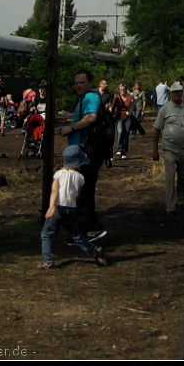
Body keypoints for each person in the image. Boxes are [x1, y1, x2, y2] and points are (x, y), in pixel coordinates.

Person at [38, 145, 108, 270]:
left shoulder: (58, 174)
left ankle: (48, 260)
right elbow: (78, 194)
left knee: (46, 234)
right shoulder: (80, 178)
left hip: (59, 207)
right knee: (76, 234)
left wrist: (52, 207)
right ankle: (94, 252)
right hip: (71, 209)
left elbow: (54, 191)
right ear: (79, 164)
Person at [57, 68, 107, 241]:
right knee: (81, 192)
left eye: (82, 82)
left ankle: (92, 229)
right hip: (83, 154)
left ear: (90, 83)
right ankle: (82, 230)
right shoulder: (84, 98)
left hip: (87, 155)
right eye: (76, 82)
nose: (78, 85)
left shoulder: (90, 97)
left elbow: (91, 117)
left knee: (83, 192)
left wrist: (71, 128)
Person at [151, 81, 184, 214]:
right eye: (175, 92)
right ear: (170, 93)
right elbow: (156, 130)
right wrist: (154, 149)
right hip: (169, 148)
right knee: (170, 178)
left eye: (179, 92)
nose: (177, 94)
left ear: (182, 93)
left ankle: (181, 201)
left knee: (183, 177)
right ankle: (171, 206)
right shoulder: (165, 109)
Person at [109, 82, 134, 159]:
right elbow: (112, 107)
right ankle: (119, 148)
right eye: (121, 90)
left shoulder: (130, 97)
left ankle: (124, 151)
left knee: (126, 133)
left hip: (128, 117)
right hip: (118, 117)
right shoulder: (117, 98)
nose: (123, 91)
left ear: (126, 90)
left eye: (124, 89)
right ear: (119, 90)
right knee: (120, 131)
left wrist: (131, 108)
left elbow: (134, 108)